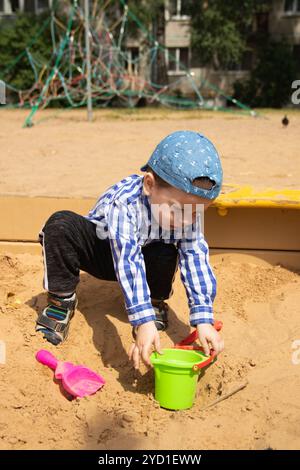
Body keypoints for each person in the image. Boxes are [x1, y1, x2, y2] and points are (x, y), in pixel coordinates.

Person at [36, 130, 224, 369]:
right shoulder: (125, 203)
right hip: (102, 251)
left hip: (147, 259)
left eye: (196, 212)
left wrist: (204, 319)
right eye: (175, 208)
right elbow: (128, 260)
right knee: (60, 225)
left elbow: (196, 258)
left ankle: (154, 301)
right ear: (149, 185)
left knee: (166, 249)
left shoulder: (185, 212)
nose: (185, 220)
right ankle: (61, 302)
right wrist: (143, 322)